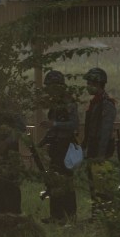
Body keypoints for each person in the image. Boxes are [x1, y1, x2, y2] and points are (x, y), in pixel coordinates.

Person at [38, 70, 79, 223]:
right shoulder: (55, 103)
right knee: (53, 181)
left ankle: (69, 215)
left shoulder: (68, 102)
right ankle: (56, 215)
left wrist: (53, 124)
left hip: (65, 147)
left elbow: (73, 124)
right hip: (55, 146)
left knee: (66, 181)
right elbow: (53, 128)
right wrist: (42, 141)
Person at [83, 67, 117, 211]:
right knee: (93, 182)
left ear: (97, 84)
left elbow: (106, 131)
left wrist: (101, 154)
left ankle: (105, 213)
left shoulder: (106, 104)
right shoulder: (95, 103)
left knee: (101, 183)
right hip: (92, 147)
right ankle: (96, 212)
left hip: (100, 149)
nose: (87, 86)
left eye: (90, 83)